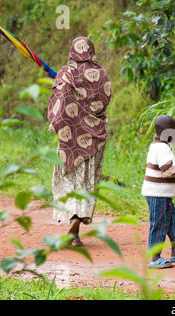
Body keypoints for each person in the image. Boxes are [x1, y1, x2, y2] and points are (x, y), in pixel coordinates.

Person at [48, 37, 111, 247]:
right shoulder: (102, 74)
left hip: (70, 141)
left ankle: (72, 222)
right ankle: (77, 227)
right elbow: (104, 100)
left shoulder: (66, 73)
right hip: (94, 137)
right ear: (91, 51)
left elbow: (60, 103)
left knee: (69, 180)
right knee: (87, 181)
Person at [142, 115, 175, 268]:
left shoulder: (157, 146)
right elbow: (167, 169)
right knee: (159, 224)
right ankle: (154, 258)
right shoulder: (162, 148)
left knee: (173, 219)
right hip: (158, 194)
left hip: (161, 194)